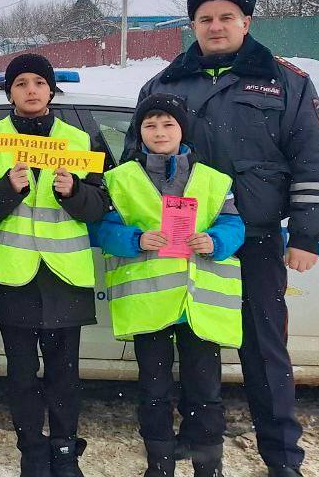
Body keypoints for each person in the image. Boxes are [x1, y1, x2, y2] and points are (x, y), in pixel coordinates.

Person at [125, 0, 319, 477]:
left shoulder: (287, 81)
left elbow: (312, 159)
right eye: (204, 18)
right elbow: (132, 164)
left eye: (225, 17)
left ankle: (282, 459)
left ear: (247, 21)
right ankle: (194, 454)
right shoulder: (162, 85)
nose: (215, 26)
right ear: (192, 24)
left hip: (256, 240)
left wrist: (307, 233)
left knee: (264, 353)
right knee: (190, 352)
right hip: (182, 244)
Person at [0, 53, 110, 477]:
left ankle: (65, 452)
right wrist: (7, 189)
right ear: (10, 92)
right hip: (15, 274)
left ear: (51, 90)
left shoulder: (78, 138)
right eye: (21, 83)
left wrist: (75, 193)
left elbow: (102, 205)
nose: (31, 90)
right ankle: (32, 450)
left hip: (65, 274)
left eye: (38, 83)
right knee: (22, 374)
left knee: (65, 374)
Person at [93, 94, 244, 477]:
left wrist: (217, 241)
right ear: (139, 132)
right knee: (154, 391)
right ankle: (159, 465)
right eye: (150, 125)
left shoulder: (213, 179)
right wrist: (135, 239)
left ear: (182, 130)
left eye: (167, 125)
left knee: (205, 391)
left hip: (199, 304)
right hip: (150, 305)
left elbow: (233, 224)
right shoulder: (120, 179)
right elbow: (104, 230)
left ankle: (208, 466)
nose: (159, 132)